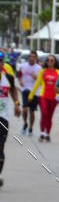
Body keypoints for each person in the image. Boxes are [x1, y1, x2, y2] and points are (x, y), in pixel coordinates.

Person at [0, 52, 21, 188]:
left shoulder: (8, 77)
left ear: (2, 64)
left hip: (3, 117)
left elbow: (13, 90)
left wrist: (17, 104)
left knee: (0, 147)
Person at [29, 54, 59, 141]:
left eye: (52, 60)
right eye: (48, 60)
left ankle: (47, 134)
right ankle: (42, 133)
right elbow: (37, 83)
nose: (49, 62)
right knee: (44, 113)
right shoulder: (43, 71)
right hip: (43, 96)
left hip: (53, 97)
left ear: (55, 62)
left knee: (50, 116)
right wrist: (31, 94)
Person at [18, 50, 41, 136]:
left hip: (35, 92)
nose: (32, 58)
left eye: (33, 57)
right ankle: (25, 123)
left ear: (36, 58)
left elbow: (41, 81)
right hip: (25, 90)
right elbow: (19, 74)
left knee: (32, 111)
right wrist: (20, 81)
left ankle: (30, 127)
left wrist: (36, 78)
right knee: (25, 109)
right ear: (28, 57)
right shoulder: (23, 66)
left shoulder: (39, 68)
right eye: (30, 56)